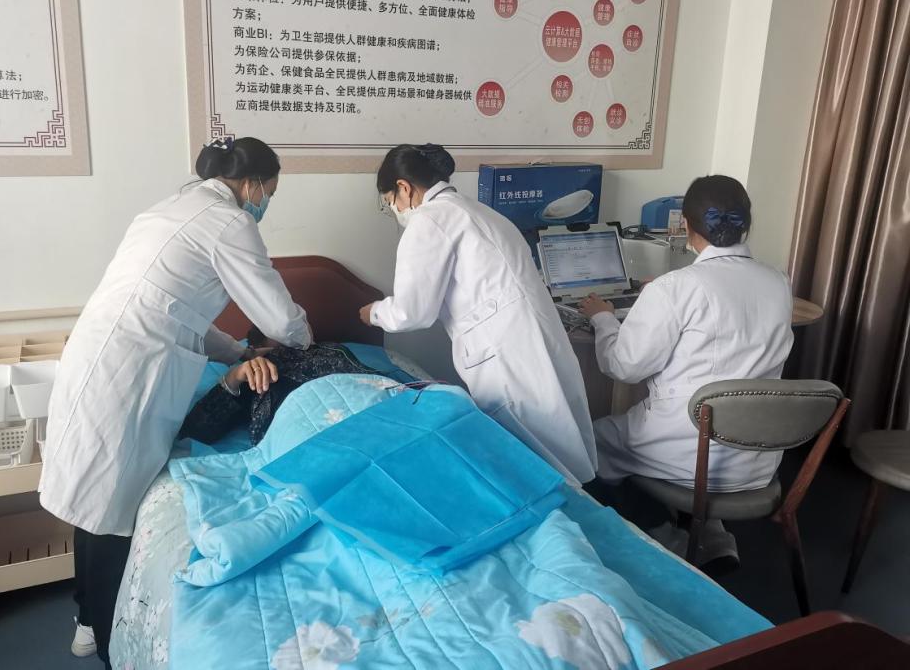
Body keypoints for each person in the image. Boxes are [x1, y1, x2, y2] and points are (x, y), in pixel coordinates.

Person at [39, 137, 310, 666]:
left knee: (90, 496)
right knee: (111, 505)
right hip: (128, 370)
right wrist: (303, 342)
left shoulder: (168, 210)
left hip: (99, 349)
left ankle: (86, 617)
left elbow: (178, 311)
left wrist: (239, 351)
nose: (265, 204)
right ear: (252, 183)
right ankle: (105, 634)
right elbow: (279, 317)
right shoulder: (230, 224)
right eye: (269, 192)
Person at [580, 175, 793, 560]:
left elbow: (623, 366)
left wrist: (603, 319)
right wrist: (663, 291)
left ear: (685, 225)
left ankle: (667, 538)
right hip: (758, 460)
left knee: (586, 441)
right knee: (704, 431)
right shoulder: (778, 282)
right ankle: (714, 536)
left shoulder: (675, 288)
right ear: (747, 223)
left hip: (686, 453)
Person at [360, 143, 597, 484]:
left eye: (390, 202)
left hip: (506, 355)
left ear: (403, 187)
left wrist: (374, 313)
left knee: (532, 459)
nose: (395, 211)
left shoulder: (429, 220)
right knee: (560, 444)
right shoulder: (480, 211)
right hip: (539, 338)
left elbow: (413, 312)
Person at [179, 327, 407, 446]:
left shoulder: (334, 349)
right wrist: (233, 377)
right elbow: (196, 432)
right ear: (257, 345)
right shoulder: (257, 368)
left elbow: (372, 380)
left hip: (376, 408)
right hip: (309, 430)